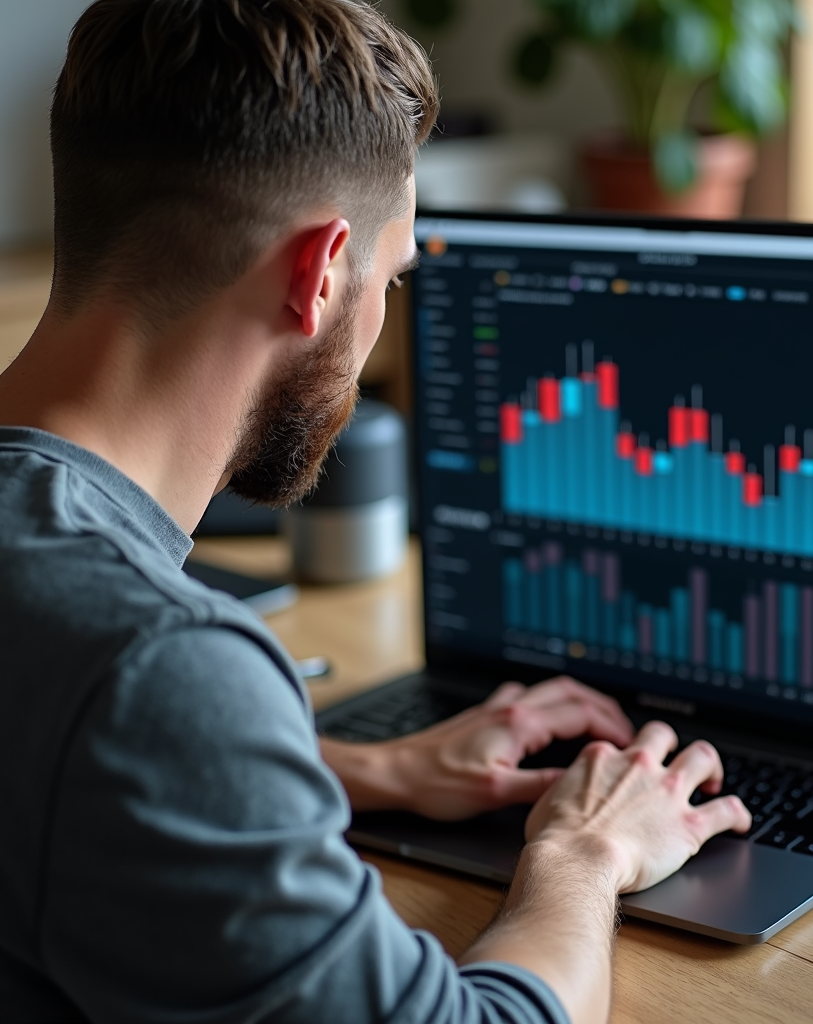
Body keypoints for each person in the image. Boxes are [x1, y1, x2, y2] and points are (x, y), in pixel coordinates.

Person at [0, 2, 751, 1022]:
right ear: (317, 276)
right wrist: (585, 854)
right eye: (391, 275)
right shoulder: (153, 672)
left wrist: (352, 765)